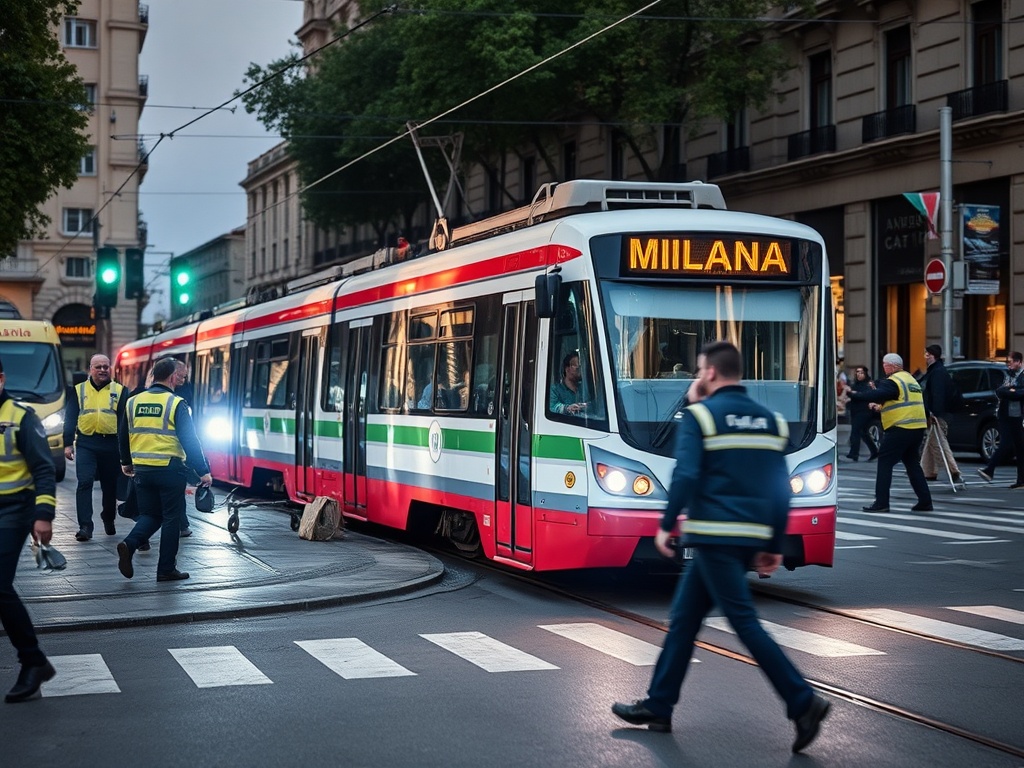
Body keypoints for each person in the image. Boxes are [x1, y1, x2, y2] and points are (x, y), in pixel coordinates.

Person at [611, 341, 829, 754]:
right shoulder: (771, 421)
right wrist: (774, 542)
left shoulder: (700, 418)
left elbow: (687, 474)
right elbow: (781, 489)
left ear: (709, 373)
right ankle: (658, 706)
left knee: (744, 622)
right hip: (748, 537)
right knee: (684, 619)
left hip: (713, 536)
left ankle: (803, 702)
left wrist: (665, 523)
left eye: (698, 370)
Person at [116, 358, 212, 583]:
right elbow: (190, 440)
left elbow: (123, 435)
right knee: (171, 518)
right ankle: (166, 569)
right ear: (171, 378)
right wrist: (203, 470)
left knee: (150, 515)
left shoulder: (133, 401)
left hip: (142, 471)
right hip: (170, 470)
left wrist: (126, 462)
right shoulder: (176, 403)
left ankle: (129, 545)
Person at [0, 356, 58, 702]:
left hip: (14, 509)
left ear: (2, 379)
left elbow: (44, 469)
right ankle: (35, 661)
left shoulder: (21, 417)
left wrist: (44, 515)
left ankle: (33, 661)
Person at [847, 352, 932, 513]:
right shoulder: (910, 380)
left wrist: (859, 395)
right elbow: (902, 401)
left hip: (900, 428)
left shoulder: (894, 381)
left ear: (891, 366)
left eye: (885, 365)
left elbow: (878, 394)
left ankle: (881, 503)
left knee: (885, 463)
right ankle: (925, 501)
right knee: (912, 463)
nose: (883, 367)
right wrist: (879, 407)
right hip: (917, 428)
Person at [63, 354, 127, 541]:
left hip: (111, 444)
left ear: (110, 369)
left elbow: (125, 422)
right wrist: (67, 443)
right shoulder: (78, 390)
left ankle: (108, 517)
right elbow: (70, 417)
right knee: (84, 482)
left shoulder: (121, 391)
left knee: (110, 486)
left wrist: (126, 449)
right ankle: (85, 526)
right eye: (98, 367)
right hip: (86, 443)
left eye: (105, 367)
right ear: (90, 369)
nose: (102, 370)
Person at [977, 351, 1024, 488]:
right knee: (1014, 445)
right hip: (1006, 415)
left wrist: (1011, 391)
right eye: (1008, 362)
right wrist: (1011, 391)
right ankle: (1018, 479)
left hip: (1017, 416)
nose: (1009, 365)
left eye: (1011, 362)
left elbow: (1020, 394)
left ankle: (990, 470)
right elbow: (999, 391)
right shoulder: (1008, 375)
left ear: (1019, 362)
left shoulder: (1022, 376)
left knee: (1014, 445)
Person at [919, 345, 961, 483]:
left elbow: (938, 394)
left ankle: (953, 470)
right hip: (938, 412)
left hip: (938, 413)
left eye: (926, 354)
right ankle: (928, 471)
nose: (925, 357)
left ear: (932, 356)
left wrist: (933, 413)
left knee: (937, 442)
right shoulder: (935, 371)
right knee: (931, 441)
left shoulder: (937, 372)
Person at [841, 365, 878, 462]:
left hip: (864, 412)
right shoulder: (856, 384)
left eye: (861, 372)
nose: (859, 374)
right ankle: (874, 451)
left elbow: (865, 396)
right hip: (856, 411)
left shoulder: (868, 384)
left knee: (855, 432)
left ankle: (854, 454)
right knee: (863, 433)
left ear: (865, 374)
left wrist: (852, 393)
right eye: (857, 372)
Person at [550, 352, 588, 416]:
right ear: (567, 369)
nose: (580, 370)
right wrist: (567, 408)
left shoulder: (584, 389)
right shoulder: (554, 390)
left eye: (581, 366)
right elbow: (552, 407)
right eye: (577, 366)